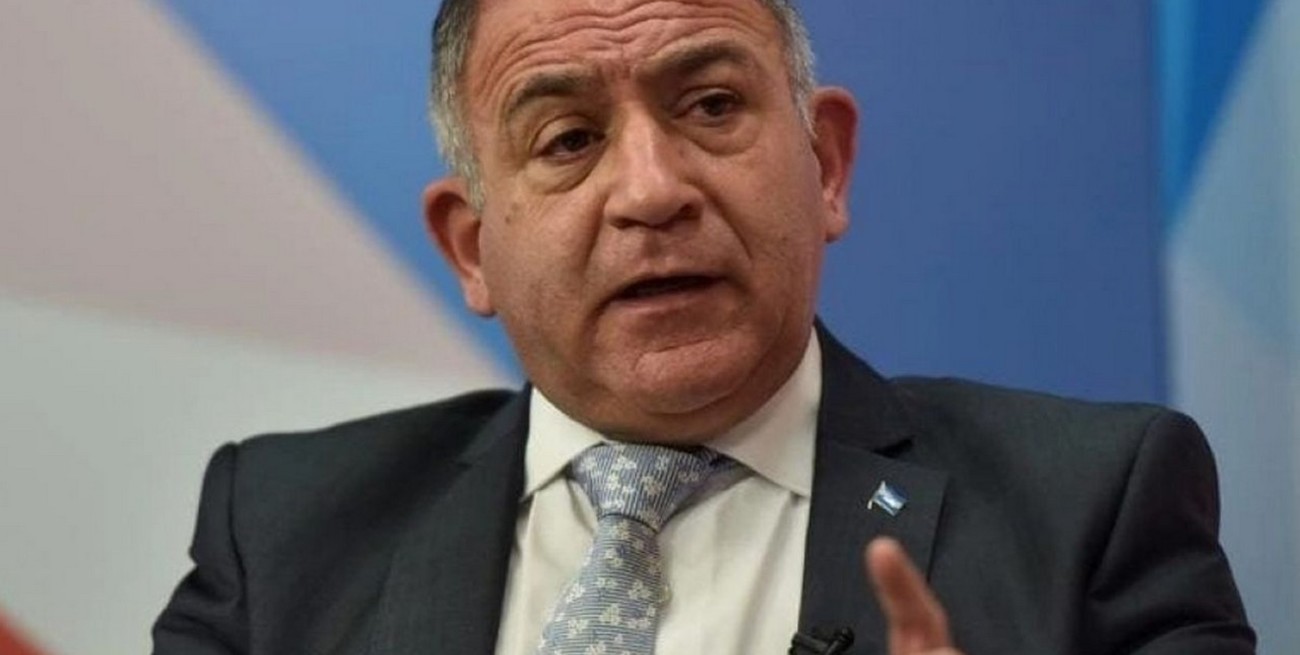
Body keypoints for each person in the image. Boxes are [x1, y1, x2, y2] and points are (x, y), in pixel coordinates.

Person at [152, 1, 1255, 653]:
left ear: (826, 164)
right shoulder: (282, 536)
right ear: (471, 248)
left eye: (712, 106)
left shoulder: (1091, 509)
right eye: (569, 139)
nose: (652, 190)